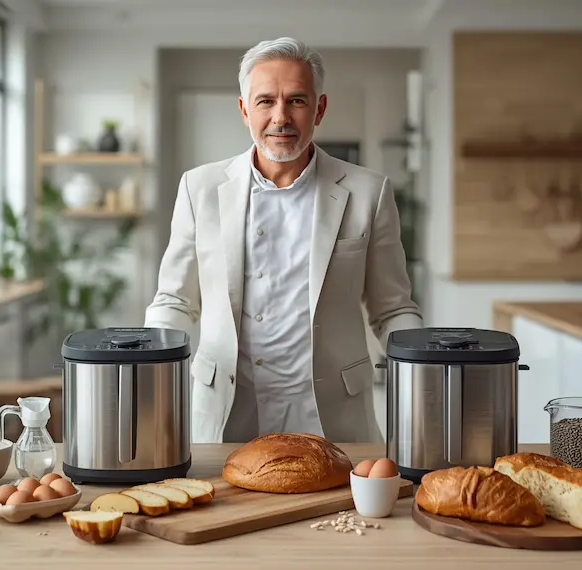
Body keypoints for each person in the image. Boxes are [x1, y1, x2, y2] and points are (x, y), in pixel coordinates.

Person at [145, 37, 423, 443]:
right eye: (265, 101)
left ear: (319, 109)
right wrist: (149, 372)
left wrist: (426, 369)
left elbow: (392, 308)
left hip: (333, 418)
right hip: (225, 414)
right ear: (244, 110)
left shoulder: (368, 192)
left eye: (296, 100)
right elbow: (175, 300)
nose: (281, 117)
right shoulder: (199, 188)